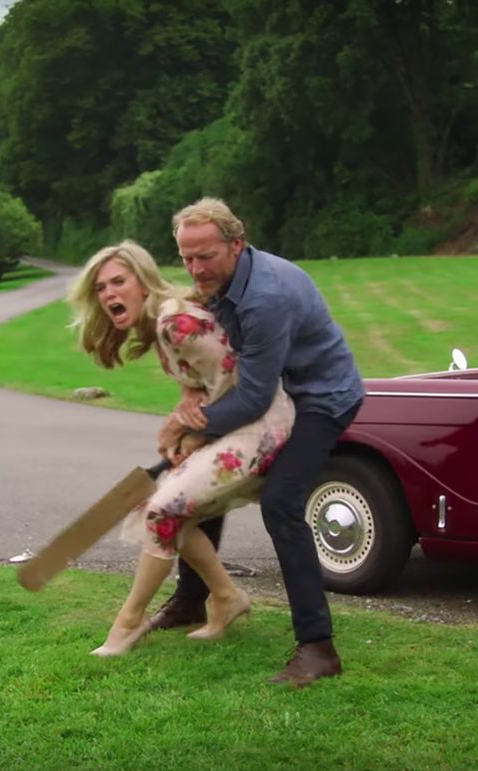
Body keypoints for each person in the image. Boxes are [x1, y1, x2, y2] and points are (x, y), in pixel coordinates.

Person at [155, 198, 365, 687]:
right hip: (278, 397)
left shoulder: (264, 297)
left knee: (281, 502)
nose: (195, 269)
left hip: (321, 399)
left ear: (236, 244)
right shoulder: (222, 283)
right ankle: (191, 600)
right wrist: (192, 402)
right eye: (186, 257)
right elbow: (216, 359)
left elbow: (250, 399)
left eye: (205, 256)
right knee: (208, 476)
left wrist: (190, 427)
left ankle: (318, 648)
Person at [68, 240, 294, 657]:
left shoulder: (174, 323)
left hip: (262, 426)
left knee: (162, 509)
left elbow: (241, 388)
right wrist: (184, 410)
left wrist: (190, 434)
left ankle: (129, 622)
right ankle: (226, 597)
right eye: (101, 289)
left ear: (143, 281)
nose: (110, 294)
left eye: (119, 281)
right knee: (161, 506)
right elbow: (203, 383)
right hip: (233, 428)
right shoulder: (163, 328)